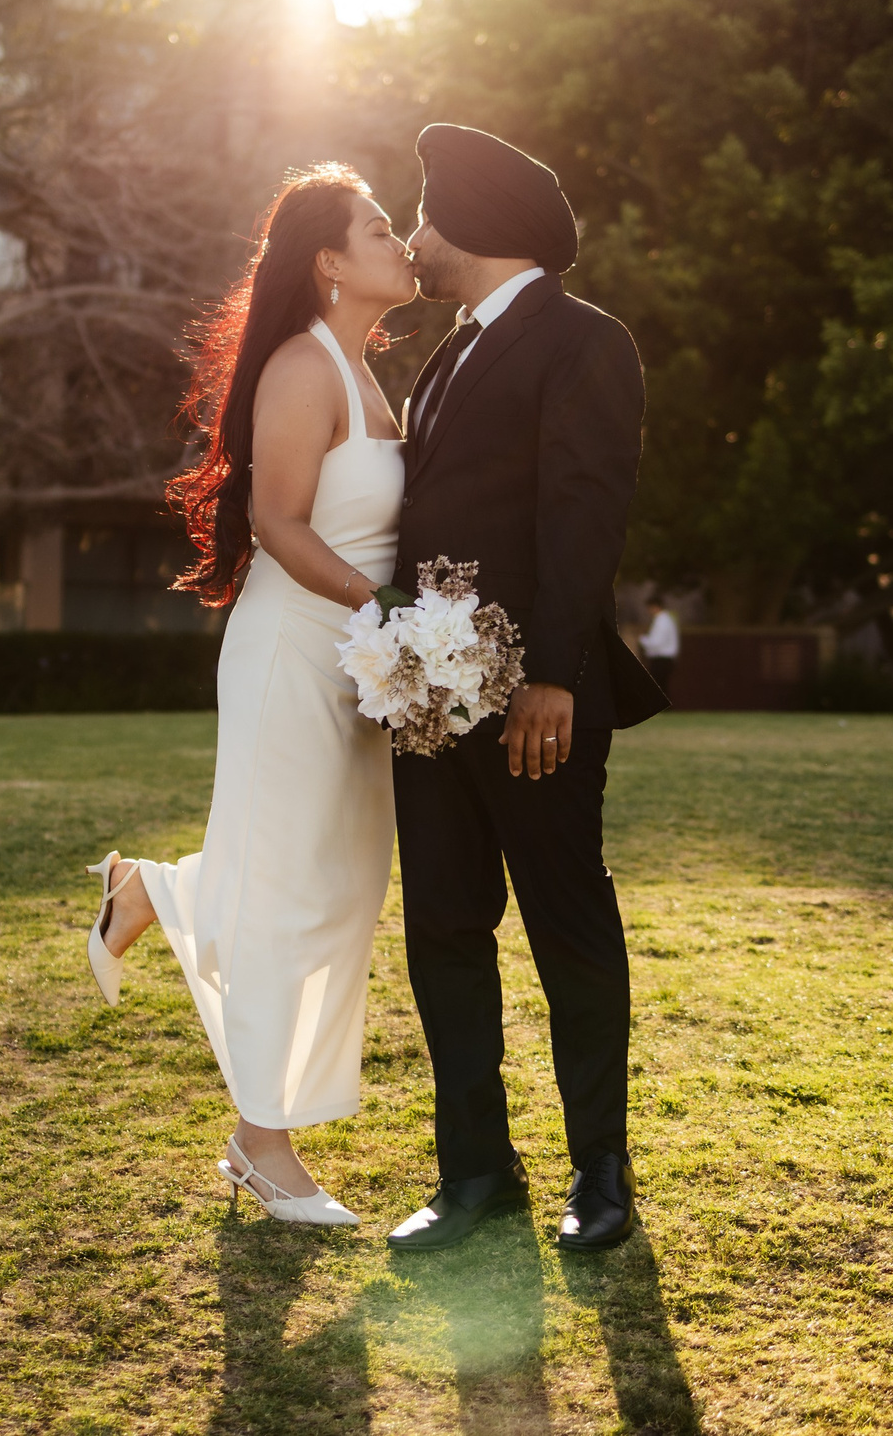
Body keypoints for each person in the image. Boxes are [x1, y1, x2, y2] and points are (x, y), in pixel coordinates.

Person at [81, 164, 413, 1226]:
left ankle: (151, 891)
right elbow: (278, 522)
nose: (403, 242)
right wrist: (382, 608)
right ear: (329, 261)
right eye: (380, 228)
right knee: (283, 890)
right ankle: (261, 1146)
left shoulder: (371, 377)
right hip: (293, 649)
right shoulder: (302, 367)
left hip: (360, 659)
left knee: (342, 885)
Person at [382, 124, 669, 1257]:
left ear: (474, 220)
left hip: (537, 702)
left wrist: (552, 674)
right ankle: (475, 1173)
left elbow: (584, 514)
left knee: (567, 925)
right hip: (427, 700)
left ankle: (601, 1172)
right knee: (444, 928)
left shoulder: (585, 341)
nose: (412, 238)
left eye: (424, 215)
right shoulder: (449, 351)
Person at [640, 601, 680, 696]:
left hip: (661, 658)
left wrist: (641, 639)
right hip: (664, 658)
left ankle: (663, 704)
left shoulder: (662, 621)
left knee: (658, 686)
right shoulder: (665, 619)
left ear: (655, 607)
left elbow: (656, 642)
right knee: (661, 686)